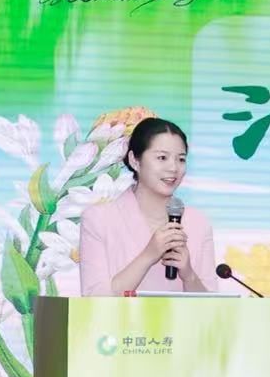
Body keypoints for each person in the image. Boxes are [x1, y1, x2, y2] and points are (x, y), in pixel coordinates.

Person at [76, 117, 218, 295]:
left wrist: (189, 276)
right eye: (162, 158)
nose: (173, 168)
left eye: (181, 159)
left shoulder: (198, 223)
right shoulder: (99, 219)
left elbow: (214, 306)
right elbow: (92, 298)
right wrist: (149, 255)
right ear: (135, 161)